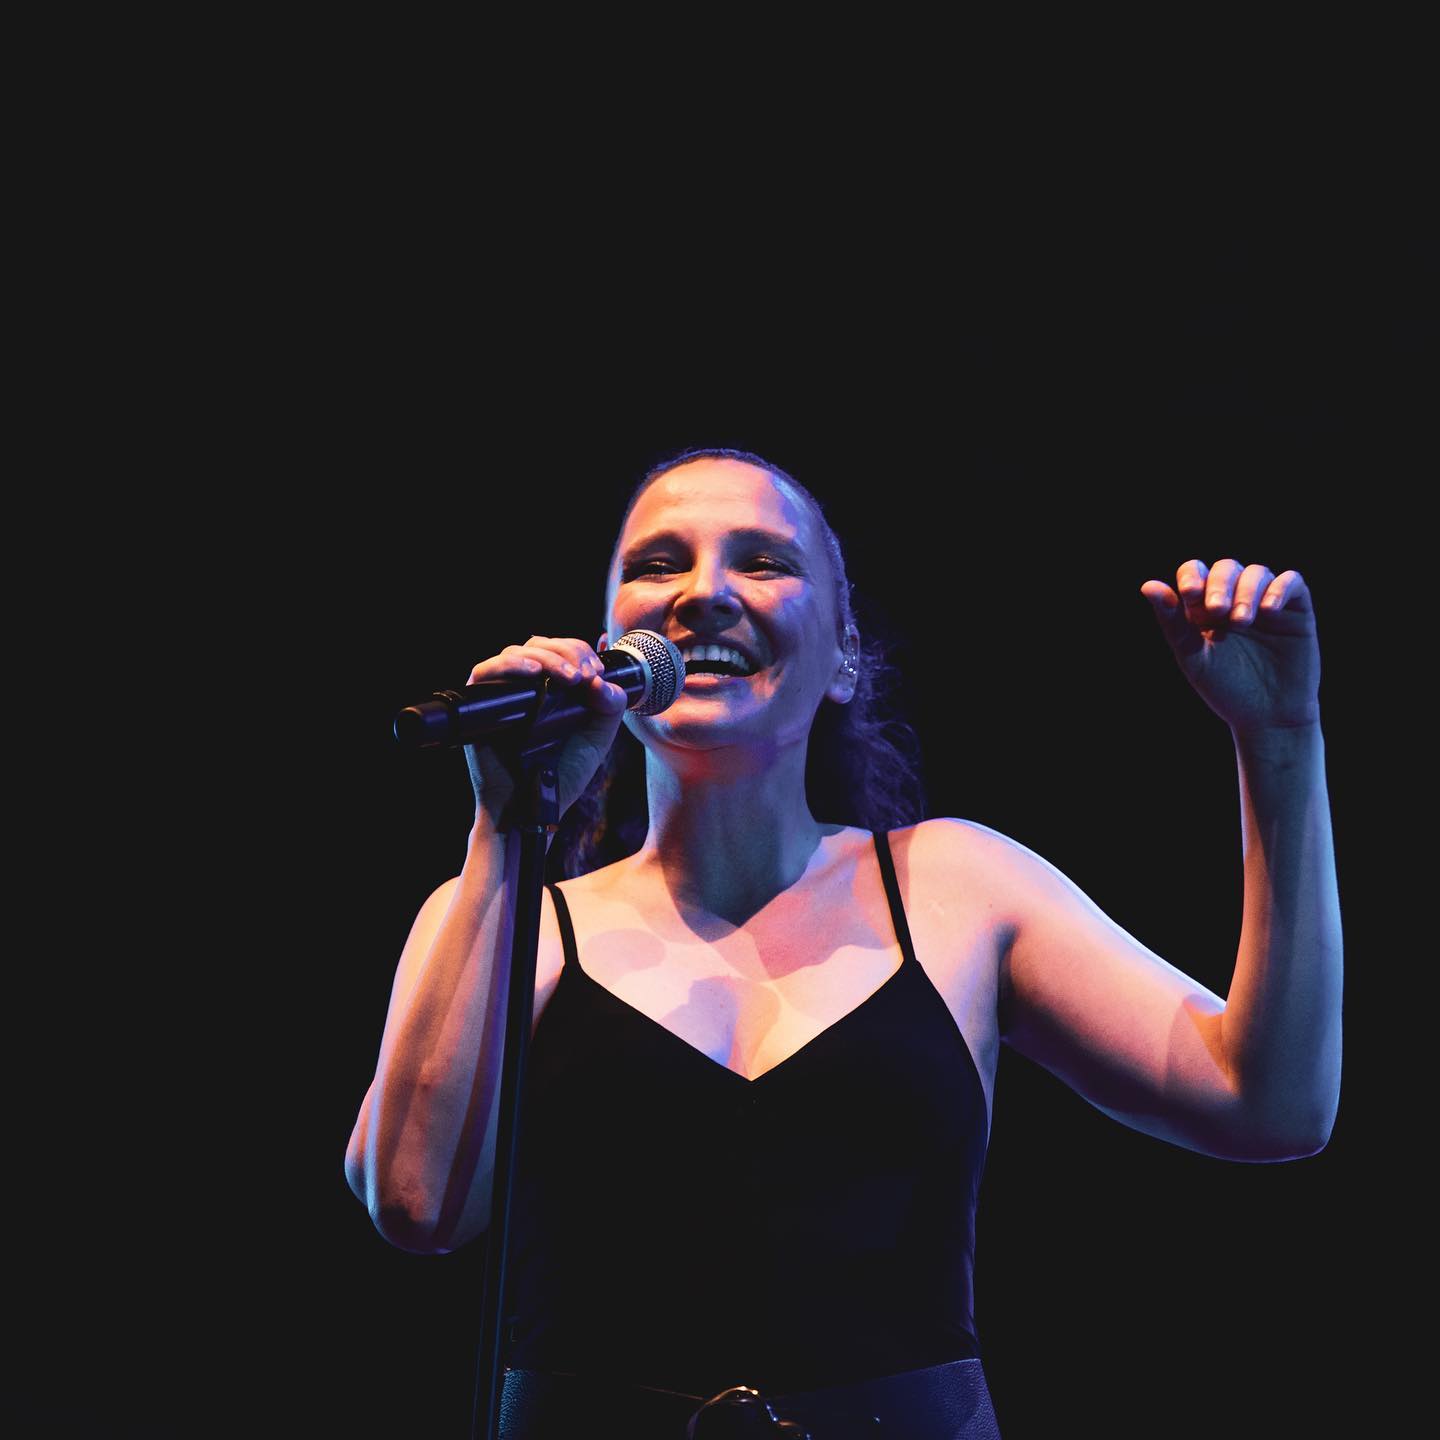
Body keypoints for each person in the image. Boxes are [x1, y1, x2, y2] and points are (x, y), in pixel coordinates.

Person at [344, 447, 1341, 1439]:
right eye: (657, 564)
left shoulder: (956, 887)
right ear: (609, 647)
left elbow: (1269, 1103)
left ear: (845, 656)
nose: (703, 594)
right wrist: (504, 825)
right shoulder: (508, 917)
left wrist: (1281, 740)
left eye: (763, 561)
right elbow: (416, 1203)